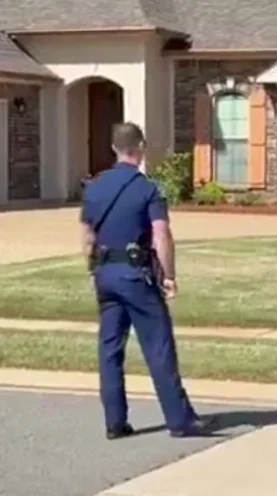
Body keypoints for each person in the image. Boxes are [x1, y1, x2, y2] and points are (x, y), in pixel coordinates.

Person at [80, 122, 210, 439]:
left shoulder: (94, 187)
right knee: (158, 346)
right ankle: (179, 420)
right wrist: (169, 276)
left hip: (106, 273)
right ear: (139, 148)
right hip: (136, 275)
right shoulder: (147, 188)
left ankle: (115, 422)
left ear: (114, 149)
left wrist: (93, 268)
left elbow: (86, 236)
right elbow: (161, 234)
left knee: (110, 349)